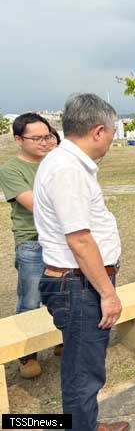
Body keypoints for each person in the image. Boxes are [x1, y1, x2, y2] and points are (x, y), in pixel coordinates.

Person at [33, 93, 129, 431]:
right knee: (81, 374)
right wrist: (108, 293)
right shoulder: (66, 168)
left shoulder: (68, 164)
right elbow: (79, 239)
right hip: (78, 285)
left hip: (81, 281)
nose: (112, 141)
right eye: (113, 133)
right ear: (99, 130)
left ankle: (87, 423)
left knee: (86, 367)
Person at [0, 113, 59, 379]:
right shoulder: (11, 170)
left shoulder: (57, 162)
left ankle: (58, 339)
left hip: (61, 240)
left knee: (61, 295)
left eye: (47, 136)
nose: (44, 143)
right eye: (36, 138)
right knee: (31, 299)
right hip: (32, 243)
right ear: (18, 139)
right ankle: (27, 356)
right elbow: (35, 205)